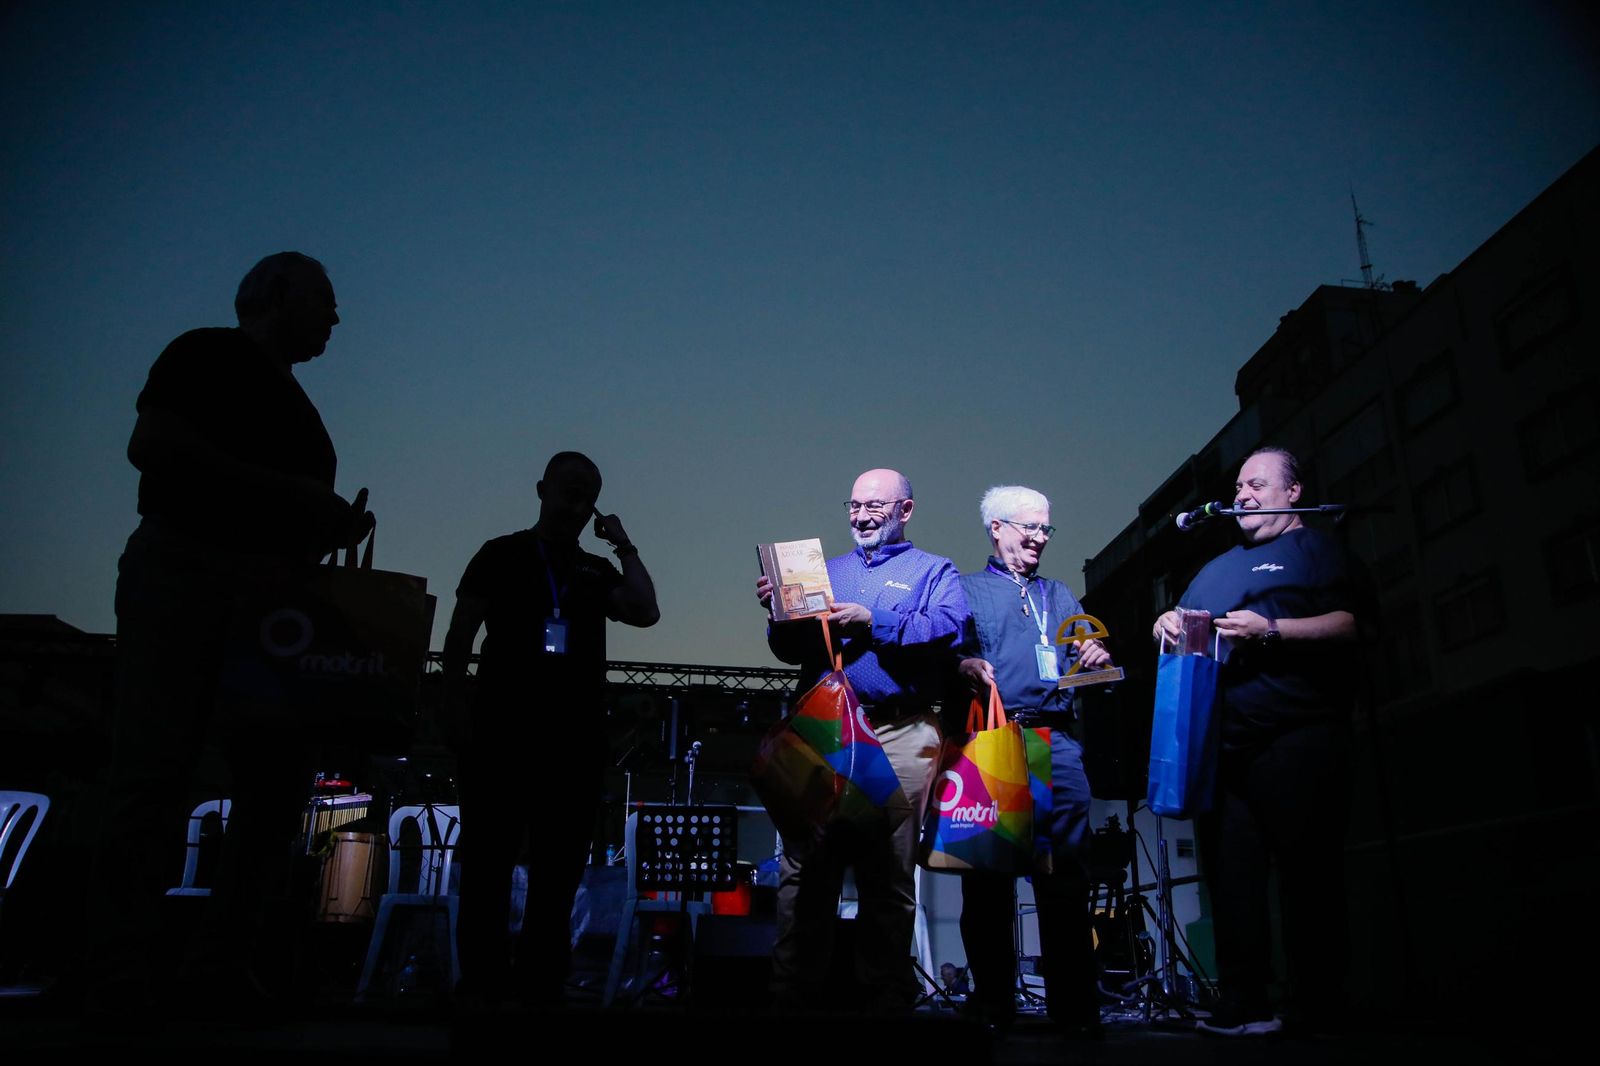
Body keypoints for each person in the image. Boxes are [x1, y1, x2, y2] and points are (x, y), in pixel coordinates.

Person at [91, 252, 372, 1014]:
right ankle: (125, 966)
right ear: (275, 296)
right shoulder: (205, 354)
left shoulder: (305, 416)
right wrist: (294, 496)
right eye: (324, 298)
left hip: (267, 604)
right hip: (189, 571)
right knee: (157, 770)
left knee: (274, 790)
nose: (335, 317)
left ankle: (208, 965)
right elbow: (152, 446)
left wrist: (330, 524)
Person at [1152, 446, 1362, 1038]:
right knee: (1232, 878)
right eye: (1239, 484)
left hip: (1300, 736)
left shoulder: (1317, 548)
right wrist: (1164, 624)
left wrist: (1270, 630)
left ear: (1293, 492)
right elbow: (1179, 624)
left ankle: (1320, 1004)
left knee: (1307, 876)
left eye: (1257, 483)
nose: (1242, 493)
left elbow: (1350, 624)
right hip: (1224, 747)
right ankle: (1244, 1001)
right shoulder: (1216, 566)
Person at [443, 451, 659, 1005]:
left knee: (558, 873)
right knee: (489, 866)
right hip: (501, 732)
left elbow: (644, 610)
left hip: (572, 740)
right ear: (542, 488)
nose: (577, 499)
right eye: (569, 487)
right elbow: (460, 635)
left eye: (588, 491)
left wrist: (624, 544)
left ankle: (540, 986)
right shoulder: (501, 554)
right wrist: (458, 711)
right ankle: (483, 987)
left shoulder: (592, 569)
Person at [754, 468, 968, 1011]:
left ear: (906, 510)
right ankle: (793, 997)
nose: (862, 514)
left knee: (888, 870)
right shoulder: (826, 571)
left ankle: (884, 1000)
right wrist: (778, 614)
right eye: (854, 505)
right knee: (805, 867)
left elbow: (949, 628)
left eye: (875, 505)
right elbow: (790, 652)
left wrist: (874, 617)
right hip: (824, 730)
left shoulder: (933, 570)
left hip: (899, 729)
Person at [953, 485, 1111, 1036]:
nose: (1040, 538)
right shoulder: (965, 590)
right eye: (1030, 527)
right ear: (996, 528)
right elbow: (948, 653)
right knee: (988, 883)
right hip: (995, 739)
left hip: (1055, 744)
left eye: (1046, 529)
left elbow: (1084, 658)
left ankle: (1076, 1010)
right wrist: (966, 663)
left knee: (1065, 879)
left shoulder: (1060, 594)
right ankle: (993, 1003)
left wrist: (1095, 655)